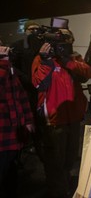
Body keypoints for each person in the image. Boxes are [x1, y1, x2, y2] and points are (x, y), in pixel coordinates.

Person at [31, 29, 91, 198]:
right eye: (59, 37)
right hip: (54, 119)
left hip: (73, 117)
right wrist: (46, 61)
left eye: (66, 37)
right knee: (54, 161)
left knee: (70, 158)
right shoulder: (42, 59)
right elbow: (38, 84)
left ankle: (65, 187)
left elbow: (87, 73)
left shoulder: (74, 58)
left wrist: (67, 61)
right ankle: (57, 191)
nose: (63, 40)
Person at [0, 45, 34, 198]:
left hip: (13, 135)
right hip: (2, 134)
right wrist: (3, 62)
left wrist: (28, 120)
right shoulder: (4, 67)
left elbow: (21, 96)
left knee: (11, 176)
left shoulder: (9, 69)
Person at [9, 20, 45, 159]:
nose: (34, 31)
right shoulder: (18, 45)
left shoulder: (43, 46)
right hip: (26, 89)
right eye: (31, 29)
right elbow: (12, 66)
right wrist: (26, 79)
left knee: (40, 118)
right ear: (26, 31)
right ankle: (29, 144)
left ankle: (39, 144)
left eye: (36, 29)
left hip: (40, 89)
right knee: (29, 117)